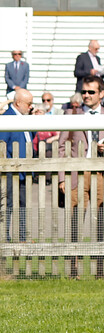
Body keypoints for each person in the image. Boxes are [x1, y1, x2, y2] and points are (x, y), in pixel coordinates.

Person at [58, 76, 104, 277]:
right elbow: (61, 148)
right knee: (75, 223)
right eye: (84, 91)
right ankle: (73, 272)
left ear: (101, 94)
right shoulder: (72, 113)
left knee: (102, 223)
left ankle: (101, 272)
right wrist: (62, 178)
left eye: (91, 92)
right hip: (78, 173)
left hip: (102, 173)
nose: (86, 95)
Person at [0, 88, 33, 242]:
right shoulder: (8, 118)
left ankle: (23, 236)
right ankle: (5, 236)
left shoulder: (23, 117)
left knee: (23, 205)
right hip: (11, 171)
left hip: (24, 170)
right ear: (18, 103)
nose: (31, 106)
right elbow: (1, 144)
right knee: (8, 205)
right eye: (29, 103)